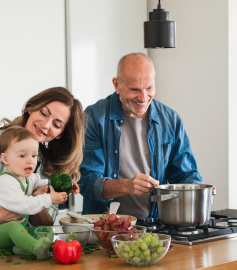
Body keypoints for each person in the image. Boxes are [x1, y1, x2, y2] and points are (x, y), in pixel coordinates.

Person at [0, 87, 85, 252]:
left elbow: (46, 224)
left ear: (60, 134)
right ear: (31, 108)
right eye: (43, 113)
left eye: (56, 124)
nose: (46, 125)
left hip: (24, 244)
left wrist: (38, 195)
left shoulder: (50, 163)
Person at [79, 53, 202, 219]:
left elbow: (186, 176)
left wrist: (199, 192)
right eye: (134, 89)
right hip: (104, 230)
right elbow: (86, 181)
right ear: (117, 84)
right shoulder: (93, 117)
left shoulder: (171, 119)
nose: (143, 98)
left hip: (156, 227)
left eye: (149, 88)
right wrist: (126, 186)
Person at [0, 126, 70, 260]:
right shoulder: (5, 182)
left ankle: (21, 248)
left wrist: (66, 187)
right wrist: (49, 199)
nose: (30, 161)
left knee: (45, 230)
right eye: (22, 156)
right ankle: (35, 247)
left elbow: (44, 185)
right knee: (13, 227)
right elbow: (24, 205)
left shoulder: (29, 178)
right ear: (5, 159)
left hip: (19, 230)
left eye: (34, 155)